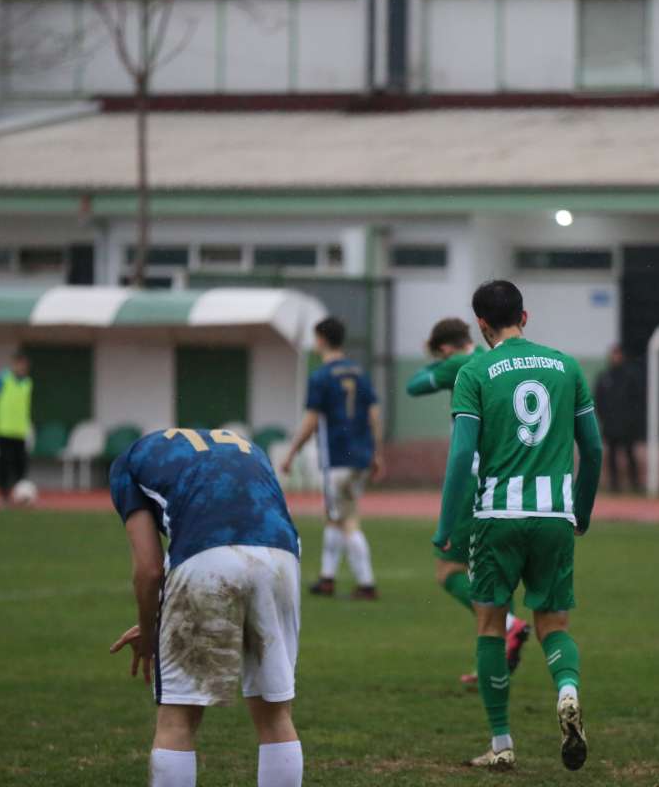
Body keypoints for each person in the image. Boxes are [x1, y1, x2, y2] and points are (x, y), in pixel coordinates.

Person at [434, 280, 603, 771]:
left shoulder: (475, 371)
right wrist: (583, 510)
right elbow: (592, 450)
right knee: (554, 623)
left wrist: (447, 524)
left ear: (482, 326)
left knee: (489, 625)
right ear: (524, 317)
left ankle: (502, 742)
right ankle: (567, 692)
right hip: (554, 516)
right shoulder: (566, 367)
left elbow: (462, 452)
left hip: (495, 519)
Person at [107, 427, 303, 787]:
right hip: (282, 557)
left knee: (178, 718)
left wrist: (150, 633)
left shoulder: (128, 461)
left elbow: (149, 570)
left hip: (205, 555)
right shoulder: (247, 446)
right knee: (275, 714)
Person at [406, 317, 532, 684]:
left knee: (449, 571)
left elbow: (413, 387)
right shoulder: (494, 359)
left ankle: (509, 625)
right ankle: (491, 663)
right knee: (493, 576)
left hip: (473, 481)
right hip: (506, 479)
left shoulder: (458, 365)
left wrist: (440, 364)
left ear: (444, 348)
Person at [281, 317, 384, 599]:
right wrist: (376, 453)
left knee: (347, 519)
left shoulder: (322, 377)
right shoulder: (360, 374)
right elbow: (374, 415)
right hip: (360, 457)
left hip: (337, 457)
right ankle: (327, 578)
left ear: (322, 340)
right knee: (335, 516)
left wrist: (292, 452)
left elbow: (312, 420)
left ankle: (366, 583)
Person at [594, 344, 643, 492]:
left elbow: (637, 399)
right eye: (614, 354)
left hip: (627, 424)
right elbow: (598, 400)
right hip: (611, 424)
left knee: (630, 453)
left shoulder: (630, 376)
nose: (616, 357)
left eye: (618, 354)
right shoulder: (605, 377)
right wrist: (604, 418)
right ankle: (614, 484)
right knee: (612, 455)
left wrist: (632, 418)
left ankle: (635, 483)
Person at [0, 350, 32, 504]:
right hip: (4, 429)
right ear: (14, 364)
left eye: (25, 365)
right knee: (4, 464)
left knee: (21, 466)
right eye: (20, 364)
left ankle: (21, 496)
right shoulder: (3, 379)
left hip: (20, 430)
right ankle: (4, 495)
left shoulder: (27, 383)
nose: (22, 368)